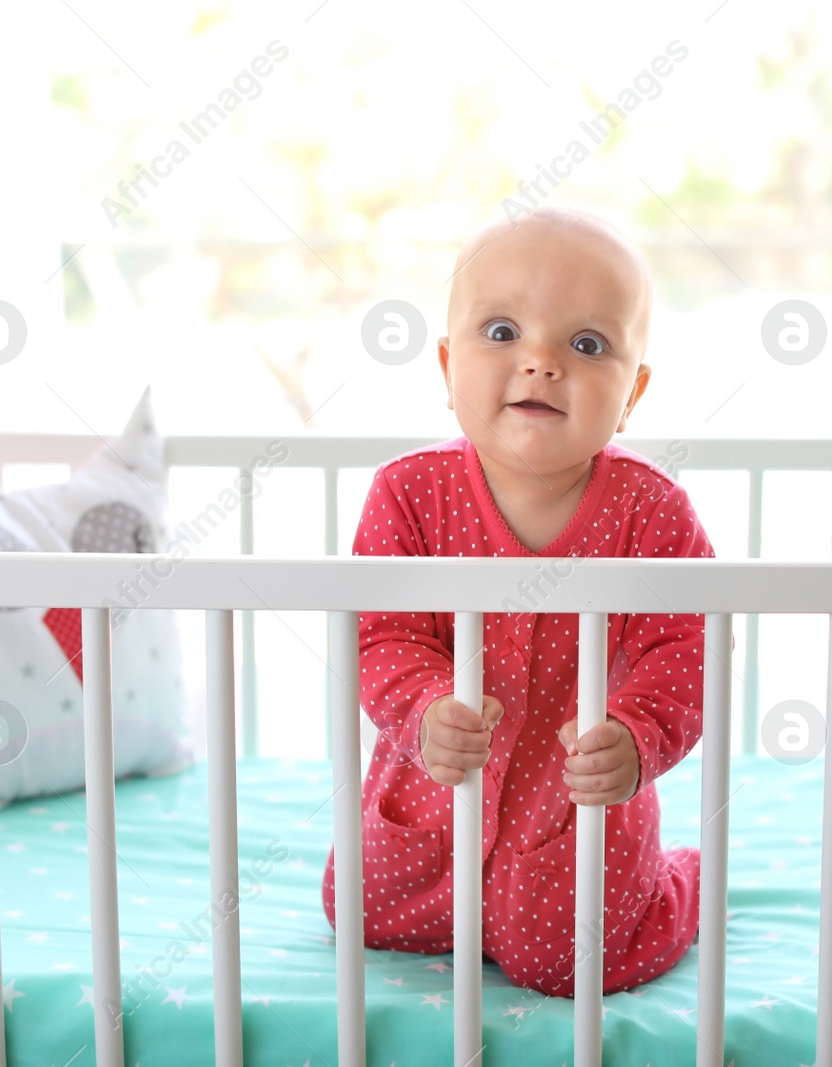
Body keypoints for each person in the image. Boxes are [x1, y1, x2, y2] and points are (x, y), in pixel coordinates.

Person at [321, 206, 716, 997]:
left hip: (571, 814)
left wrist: (638, 737)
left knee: (574, 961)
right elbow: (378, 633)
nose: (540, 362)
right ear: (444, 368)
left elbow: (687, 651)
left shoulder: (655, 515)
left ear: (632, 391)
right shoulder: (405, 495)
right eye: (501, 332)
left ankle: (685, 882)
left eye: (587, 344)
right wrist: (424, 705)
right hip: (428, 801)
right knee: (358, 905)